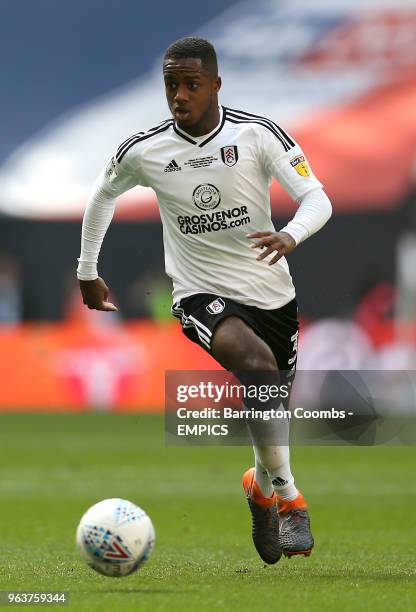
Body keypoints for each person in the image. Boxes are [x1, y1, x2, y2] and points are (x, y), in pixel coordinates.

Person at [77, 37, 332, 564]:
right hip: (200, 293)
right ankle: (289, 499)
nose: (179, 95)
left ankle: (260, 486)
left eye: (192, 84)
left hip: (273, 294)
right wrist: (87, 270)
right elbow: (103, 195)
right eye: (172, 84)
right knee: (258, 370)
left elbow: (317, 198)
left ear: (216, 84)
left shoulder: (257, 135)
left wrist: (290, 236)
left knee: (271, 404)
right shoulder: (145, 150)